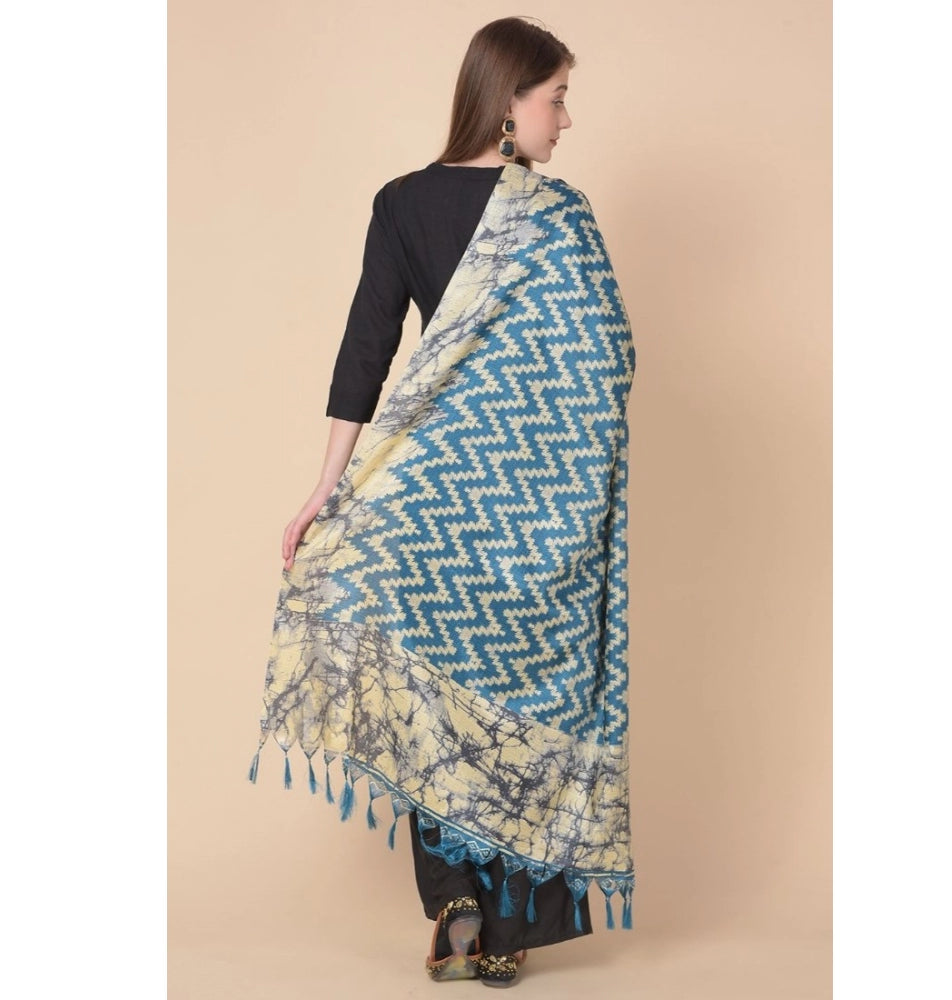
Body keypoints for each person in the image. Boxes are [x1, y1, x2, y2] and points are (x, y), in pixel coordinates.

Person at [247, 16, 636, 989]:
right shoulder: (559, 217)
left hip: (423, 509)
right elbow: (607, 360)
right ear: (509, 104)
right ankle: (504, 928)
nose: (565, 120)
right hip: (534, 509)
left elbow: (367, 348)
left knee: (430, 700)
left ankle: (453, 905)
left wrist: (329, 486)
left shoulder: (401, 204)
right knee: (522, 701)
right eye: (556, 99)